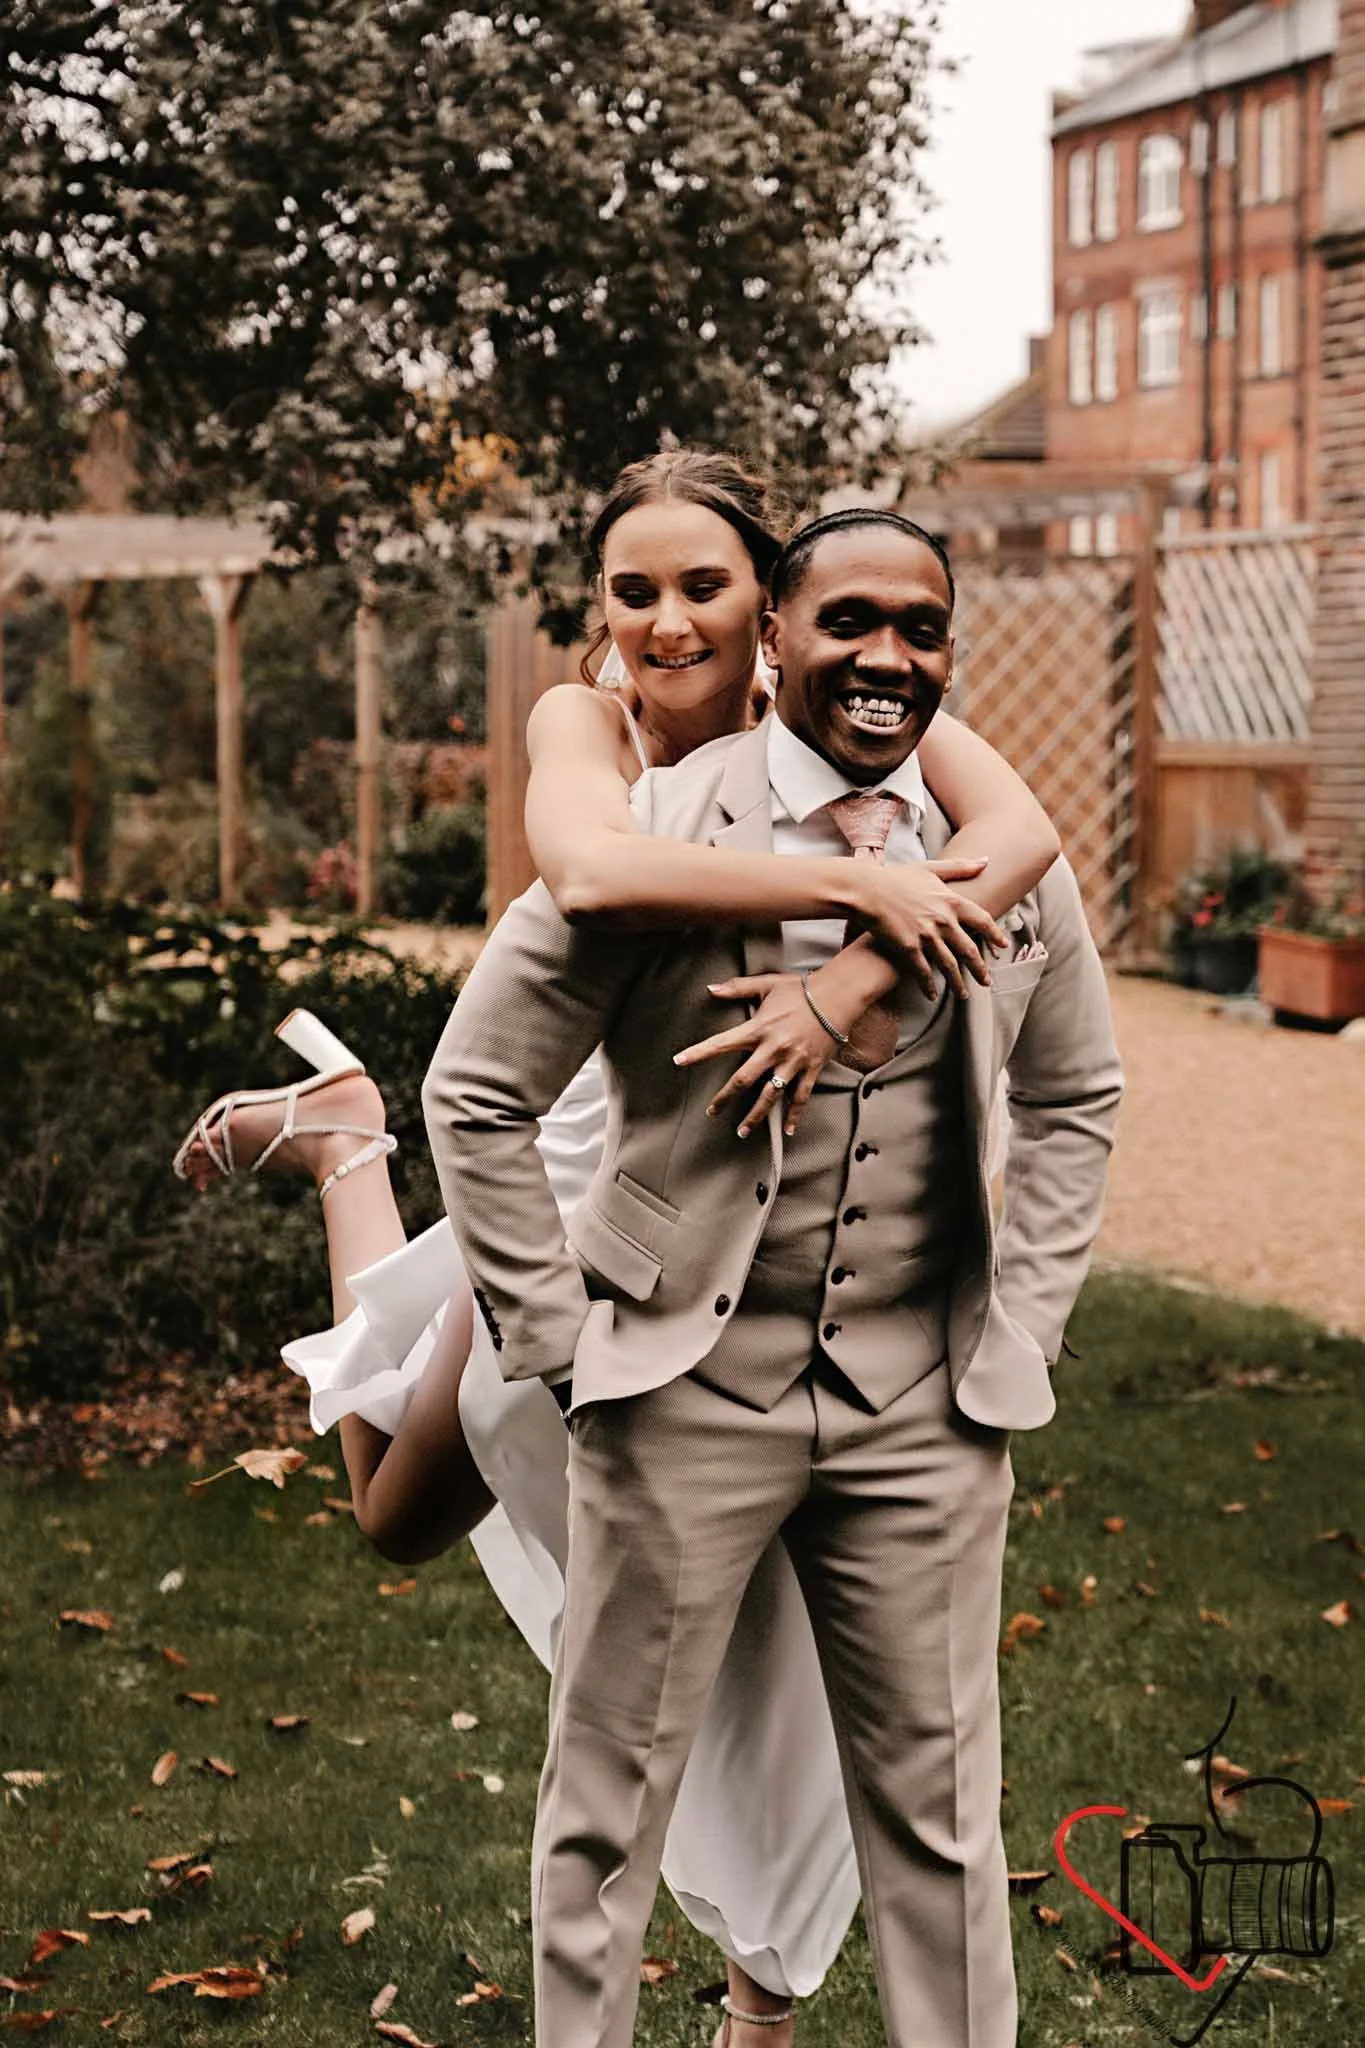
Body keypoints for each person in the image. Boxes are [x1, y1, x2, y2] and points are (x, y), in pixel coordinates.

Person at [173, 452, 1063, 2045]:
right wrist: (860, 888)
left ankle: (758, 1999)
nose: (664, 623)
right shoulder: (587, 722)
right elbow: (590, 873)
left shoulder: (868, 689)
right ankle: (348, 1141)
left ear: (771, 613)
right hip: (598, 1185)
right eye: (632, 591)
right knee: (398, 1511)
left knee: (790, 1668)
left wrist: (851, 983)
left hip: (817, 1302)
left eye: (702, 587)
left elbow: (1025, 836)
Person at [422, 503, 1124, 2048]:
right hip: (677, 1393)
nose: (887, 658)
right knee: (605, 1820)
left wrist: (1021, 1332)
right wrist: (556, 1347)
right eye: (851, 623)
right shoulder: (665, 830)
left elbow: (1079, 1097)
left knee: (943, 1834)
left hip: (924, 1413)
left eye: (922, 630)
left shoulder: (995, 855)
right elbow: (474, 1094)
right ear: (778, 642)